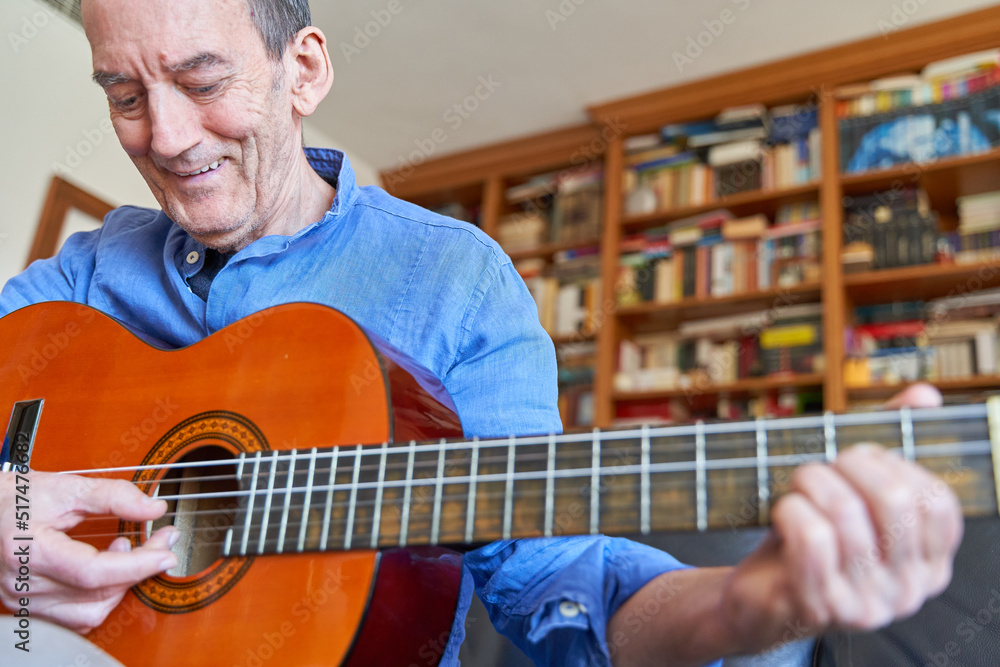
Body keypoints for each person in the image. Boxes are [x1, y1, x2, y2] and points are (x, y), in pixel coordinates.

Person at [0, 1, 963, 665]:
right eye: (124, 96)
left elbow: (560, 591)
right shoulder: (95, 270)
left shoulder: (456, 280)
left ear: (303, 70)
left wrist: (754, 604)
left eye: (202, 79)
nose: (164, 136)